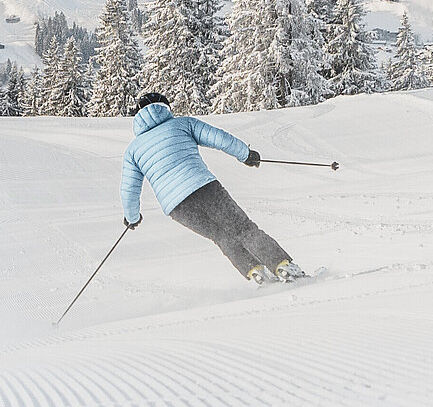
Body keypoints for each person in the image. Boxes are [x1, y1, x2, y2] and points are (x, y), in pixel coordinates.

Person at [120, 93, 305, 283]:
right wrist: (246, 154)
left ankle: (256, 272)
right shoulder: (183, 124)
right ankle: (282, 266)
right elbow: (219, 138)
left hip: (177, 208)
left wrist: (132, 217)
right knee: (242, 228)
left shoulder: (133, 151)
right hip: (204, 188)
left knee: (221, 236)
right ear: (165, 108)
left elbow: (129, 190)